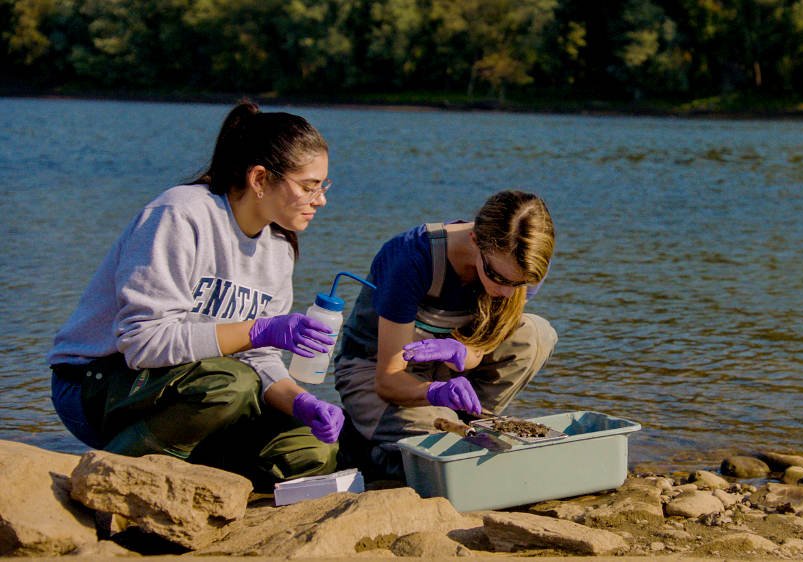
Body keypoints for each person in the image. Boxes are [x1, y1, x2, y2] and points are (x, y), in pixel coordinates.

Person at [47, 100, 346, 489]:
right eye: (308, 187)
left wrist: (299, 401)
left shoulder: (279, 247)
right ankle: (108, 478)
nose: (320, 199)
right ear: (259, 179)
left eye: (323, 186)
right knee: (230, 384)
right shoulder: (180, 214)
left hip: (194, 387)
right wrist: (257, 329)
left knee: (314, 449)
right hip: (94, 382)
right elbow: (143, 343)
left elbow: (258, 357)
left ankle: (196, 478)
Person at [334, 190, 557, 478]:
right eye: (498, 278)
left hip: (443, 373)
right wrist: (435, 392)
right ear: (475, 240)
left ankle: (470, 421)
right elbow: (388, 381)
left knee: (536, 334)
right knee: (440, 455)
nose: (508, 292)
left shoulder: (524, 264)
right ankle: (365, 446)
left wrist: (463, 353)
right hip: (376, 370)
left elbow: (484, 342)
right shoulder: (411, 260)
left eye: (520, 284)